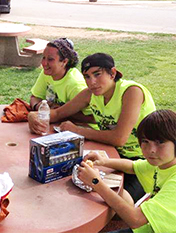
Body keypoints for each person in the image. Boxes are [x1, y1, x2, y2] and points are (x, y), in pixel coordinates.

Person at [28, 53, 156, 202]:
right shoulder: (90, 94)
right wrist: (35, 114)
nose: (92, 82)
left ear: (112, 73)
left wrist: (77, 130)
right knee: (67, 176)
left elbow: (119, 138)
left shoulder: (131, 92)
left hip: (140, 160)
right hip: (107, 154)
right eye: (87, 77)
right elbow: (58, 114)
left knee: (108, 201)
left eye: (97, 74)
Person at [78, 109, 176, 232]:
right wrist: (103, 161)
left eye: (160, 142)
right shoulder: (164, 163)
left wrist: (95, 182)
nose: (151, 150)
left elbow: (135, 220)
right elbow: (133, 166)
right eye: (145, 141)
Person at [30, 38, 93, 127]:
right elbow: (35, 97)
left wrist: (60, 112)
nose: (44, 63)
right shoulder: (47, 73)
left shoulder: (75, 85)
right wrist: (39, 106)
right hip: (58, 124)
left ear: (64, 62)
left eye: (50, 59)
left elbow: (92, 118)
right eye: (43, 57)